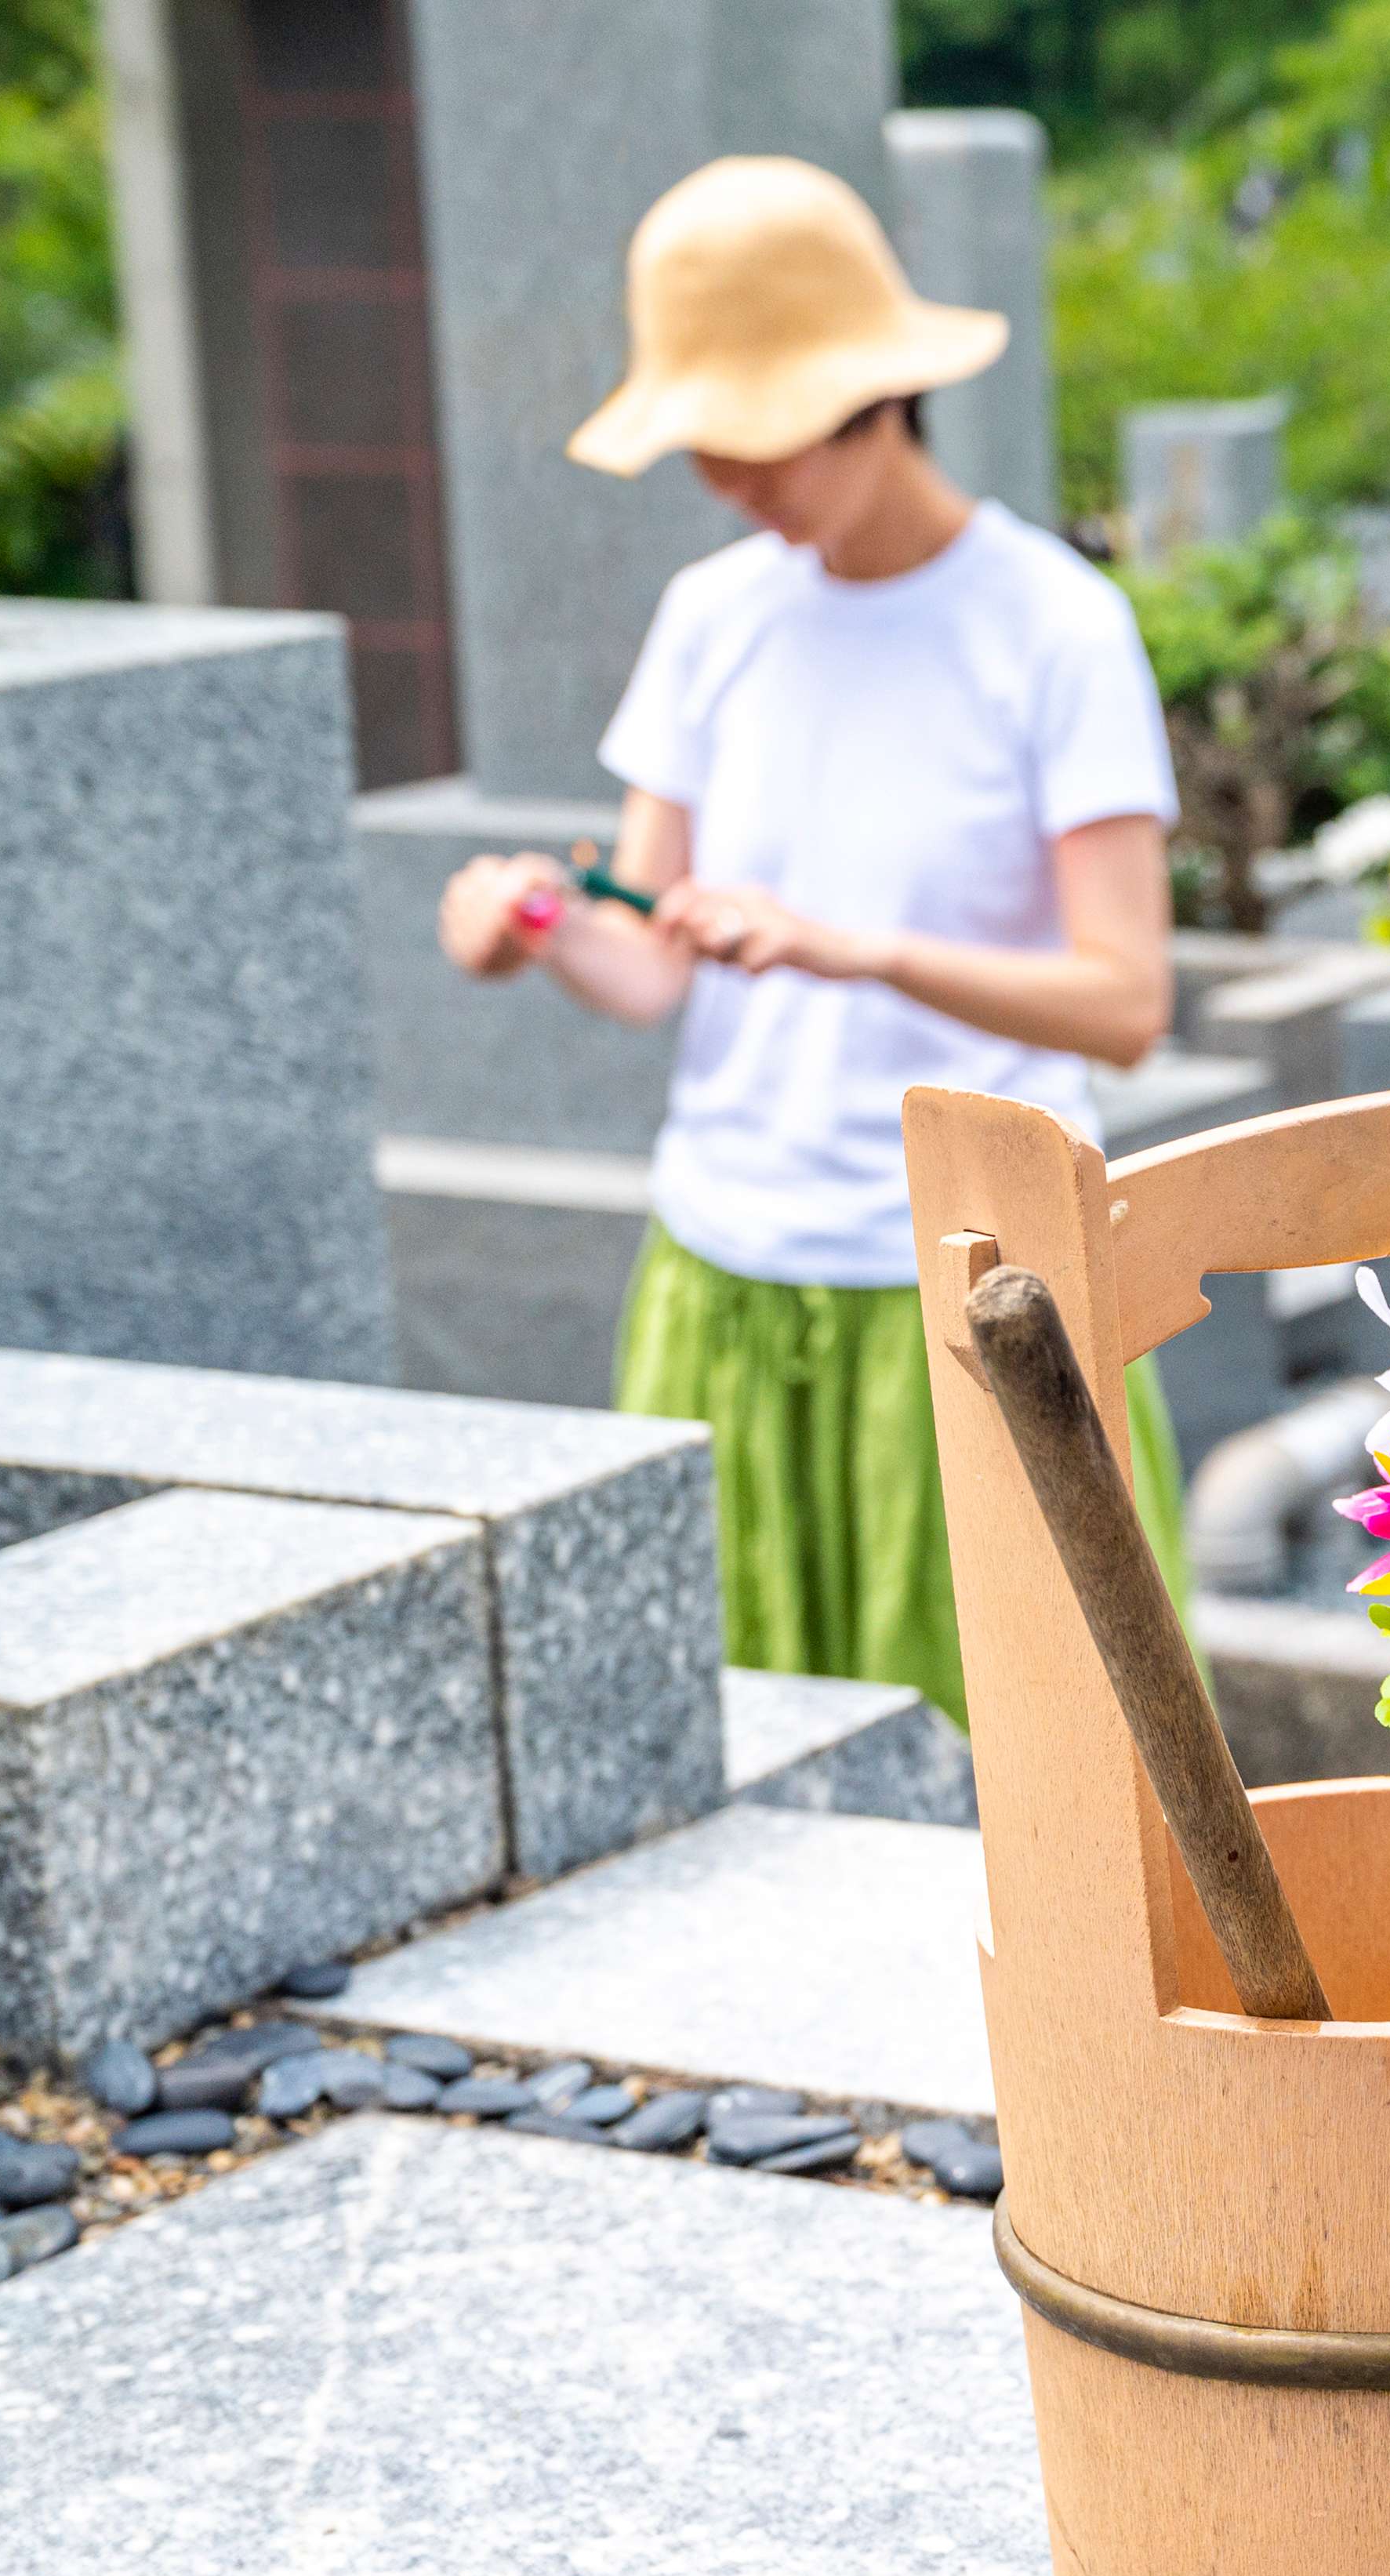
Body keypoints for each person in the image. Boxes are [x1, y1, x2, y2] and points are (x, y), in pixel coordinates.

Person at [435, 155, 1189, 1721]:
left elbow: (1123, 1002)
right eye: (704, 448)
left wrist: (855, 948)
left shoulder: (1049, 627)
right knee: (726, 1757)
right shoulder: (715, 617)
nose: (731, 483)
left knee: (1024, 1762)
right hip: (724, 1265)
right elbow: (652, 959)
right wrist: (540, 926)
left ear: (875, 401)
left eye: (755, 439)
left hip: (981, 1290)